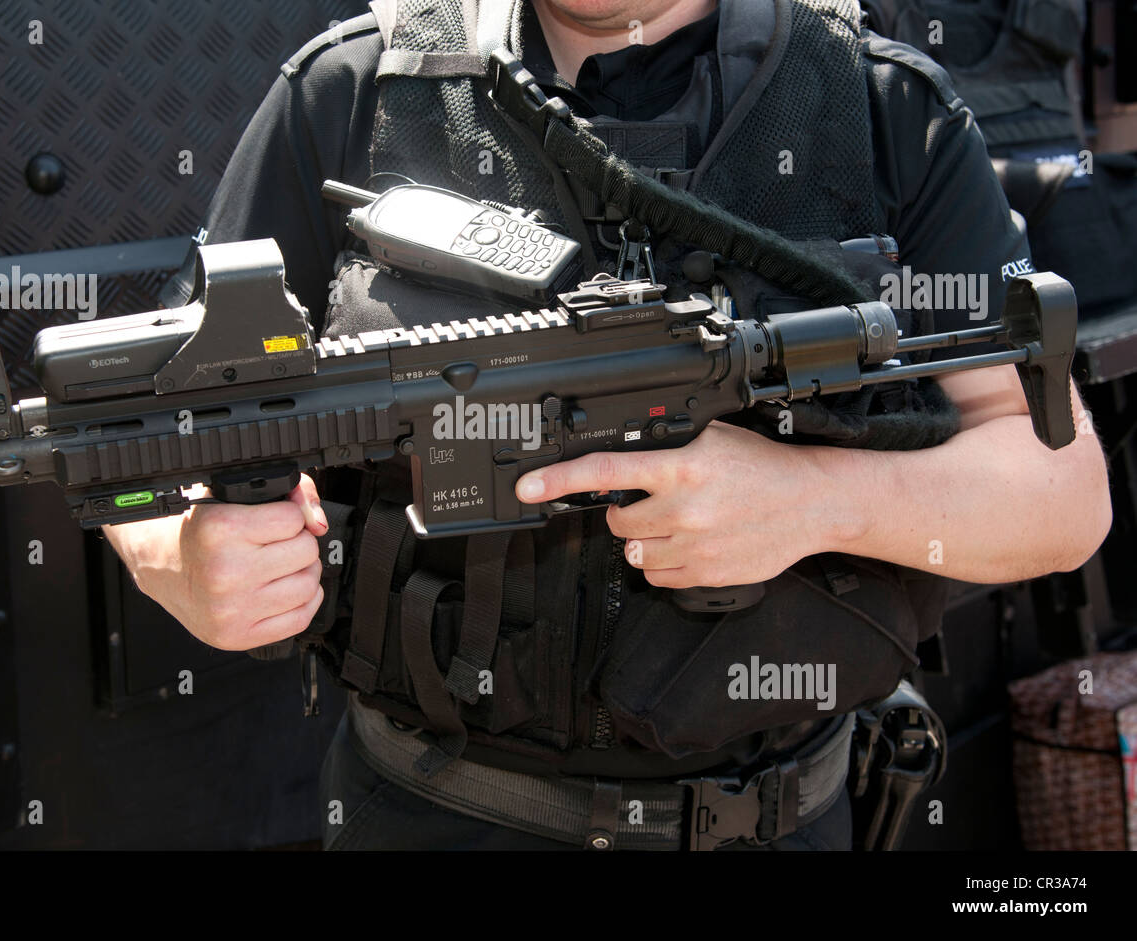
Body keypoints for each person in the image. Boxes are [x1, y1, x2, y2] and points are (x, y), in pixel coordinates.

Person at [104, 0, 1111, 850]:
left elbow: (1061, 493)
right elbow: (152, 417)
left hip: (776, 818)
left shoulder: (882, 109)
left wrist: (811, 500)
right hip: (432, 810)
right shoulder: (356, 90)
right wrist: (177, 556)